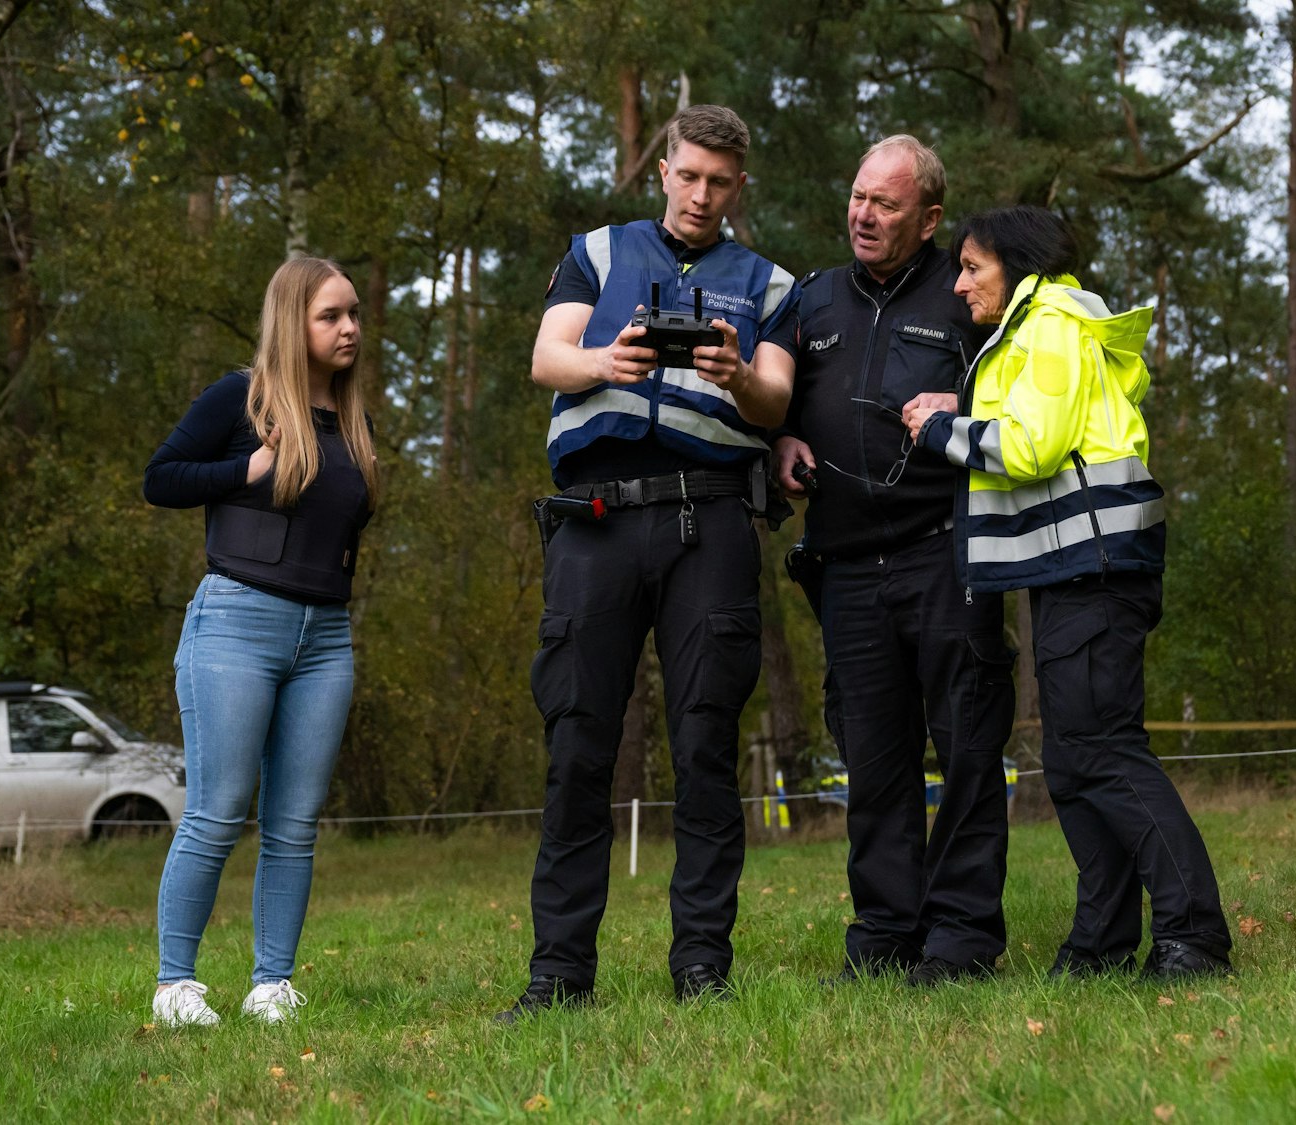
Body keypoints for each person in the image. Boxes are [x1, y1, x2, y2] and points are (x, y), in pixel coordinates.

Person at [500, 105, 798, 1022]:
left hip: (709, 523)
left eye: (720, 181)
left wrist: (736, 373)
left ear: (738, 186)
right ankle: (559, 975)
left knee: (706, 745)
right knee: (579, 744)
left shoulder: (771, 281)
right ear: (662, 169)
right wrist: (607, 361)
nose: (702, 195)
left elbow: (778, 394)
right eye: (689, 175)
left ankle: (703, 965)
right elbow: (547, 357)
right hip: (596, 523)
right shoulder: (596, 249)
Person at [900, 206, 1234, 982]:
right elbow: (1042, 421)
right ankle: (1100, 945)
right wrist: (964, 406)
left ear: (1017, 267)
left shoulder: (1047, 321)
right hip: (1073, 569)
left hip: (1095, 568)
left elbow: (1031, 445)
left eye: (973, 267)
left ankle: (1195, 935)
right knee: (1074, 760)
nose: (959, 283)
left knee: (1103, 754)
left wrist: (939, 432)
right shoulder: (1041, 330)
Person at [772, 136, 1014, 987]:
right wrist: (784, 436)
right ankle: (884, 933)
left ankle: (961, 939)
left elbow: (1029, 391)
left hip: (947, 556)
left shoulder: (970, 296)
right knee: (873, 760)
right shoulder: (812, 300)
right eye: (857, 196)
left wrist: (972, 398)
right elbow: (776, 397)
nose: (863, 215)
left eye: (886, 204)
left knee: (969, 751)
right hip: (845, 566)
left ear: (930, 219)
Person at [140, 256, 378, 1026]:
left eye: (353, 314)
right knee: (218, 807)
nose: (350, 328)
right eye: (331, 316)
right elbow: (161, 477)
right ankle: (177, 986)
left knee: (295, 821)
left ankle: (272, 984)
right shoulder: (238, 399)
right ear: (293, 323)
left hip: (326, 636)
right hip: (237, 621)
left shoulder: (353, 419)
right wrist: (252, 464)